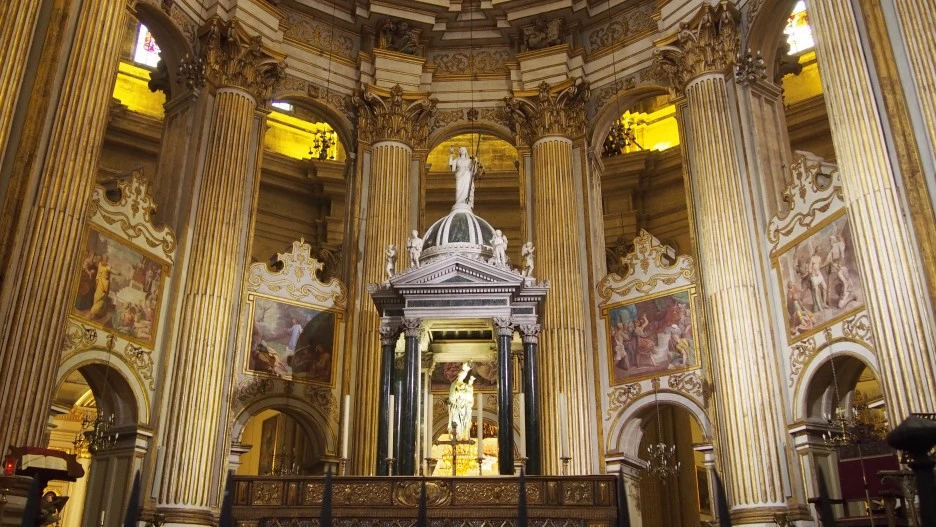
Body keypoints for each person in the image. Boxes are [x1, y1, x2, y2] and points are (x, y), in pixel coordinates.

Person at [447, 363, 475, 441]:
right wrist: (460, 395)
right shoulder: (454, 385)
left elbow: (470, 397)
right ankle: (458, 435)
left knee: (464, 422)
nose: (462, 377)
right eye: (462, 375)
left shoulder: (466, 386)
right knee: (456, 422)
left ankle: (462, 435)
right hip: (456, 408)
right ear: (459, 376)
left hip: (464, 408)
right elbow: (452, 397)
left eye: (464, 375)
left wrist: (461, 394)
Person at [808, 246, 828, 312]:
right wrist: (812, 273)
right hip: (814, 277)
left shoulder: (819, 258)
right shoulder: (812, 258)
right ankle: (820, 307)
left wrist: (826, 263)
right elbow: (809, 269)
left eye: (820, 249)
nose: (820, 251)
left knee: (825, 287)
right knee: (816, 291)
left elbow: (819, 266)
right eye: (819, 249)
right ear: (816, 250)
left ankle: (824, 304)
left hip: (819, 275)